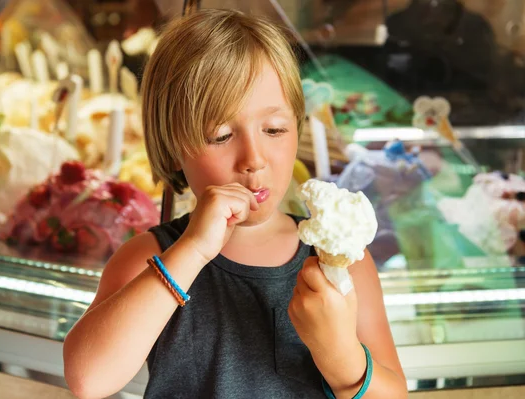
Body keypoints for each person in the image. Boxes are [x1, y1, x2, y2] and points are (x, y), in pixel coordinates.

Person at [63, 9, 407, 399]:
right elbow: (88, 380)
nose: (254, 158)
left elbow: (394, 392)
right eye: (221, 135)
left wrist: (343, 357)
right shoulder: (150, 256)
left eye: (274, 129)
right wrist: (193, 250)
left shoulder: (342, 262)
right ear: (174, 149)